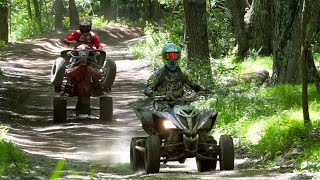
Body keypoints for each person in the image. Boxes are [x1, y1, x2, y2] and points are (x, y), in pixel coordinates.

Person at [144, 42, 207, 112]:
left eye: (175, 56)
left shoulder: (183, 73)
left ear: (179, 56)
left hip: (179, 101)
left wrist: (204, 91)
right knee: (165, 112)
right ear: (163, 57)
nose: (172, 60)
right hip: (161, 102)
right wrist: (163, 94)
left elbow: (194, 84)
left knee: (190, 112)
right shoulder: (158, 74)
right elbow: (147, 89)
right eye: (168, 56)